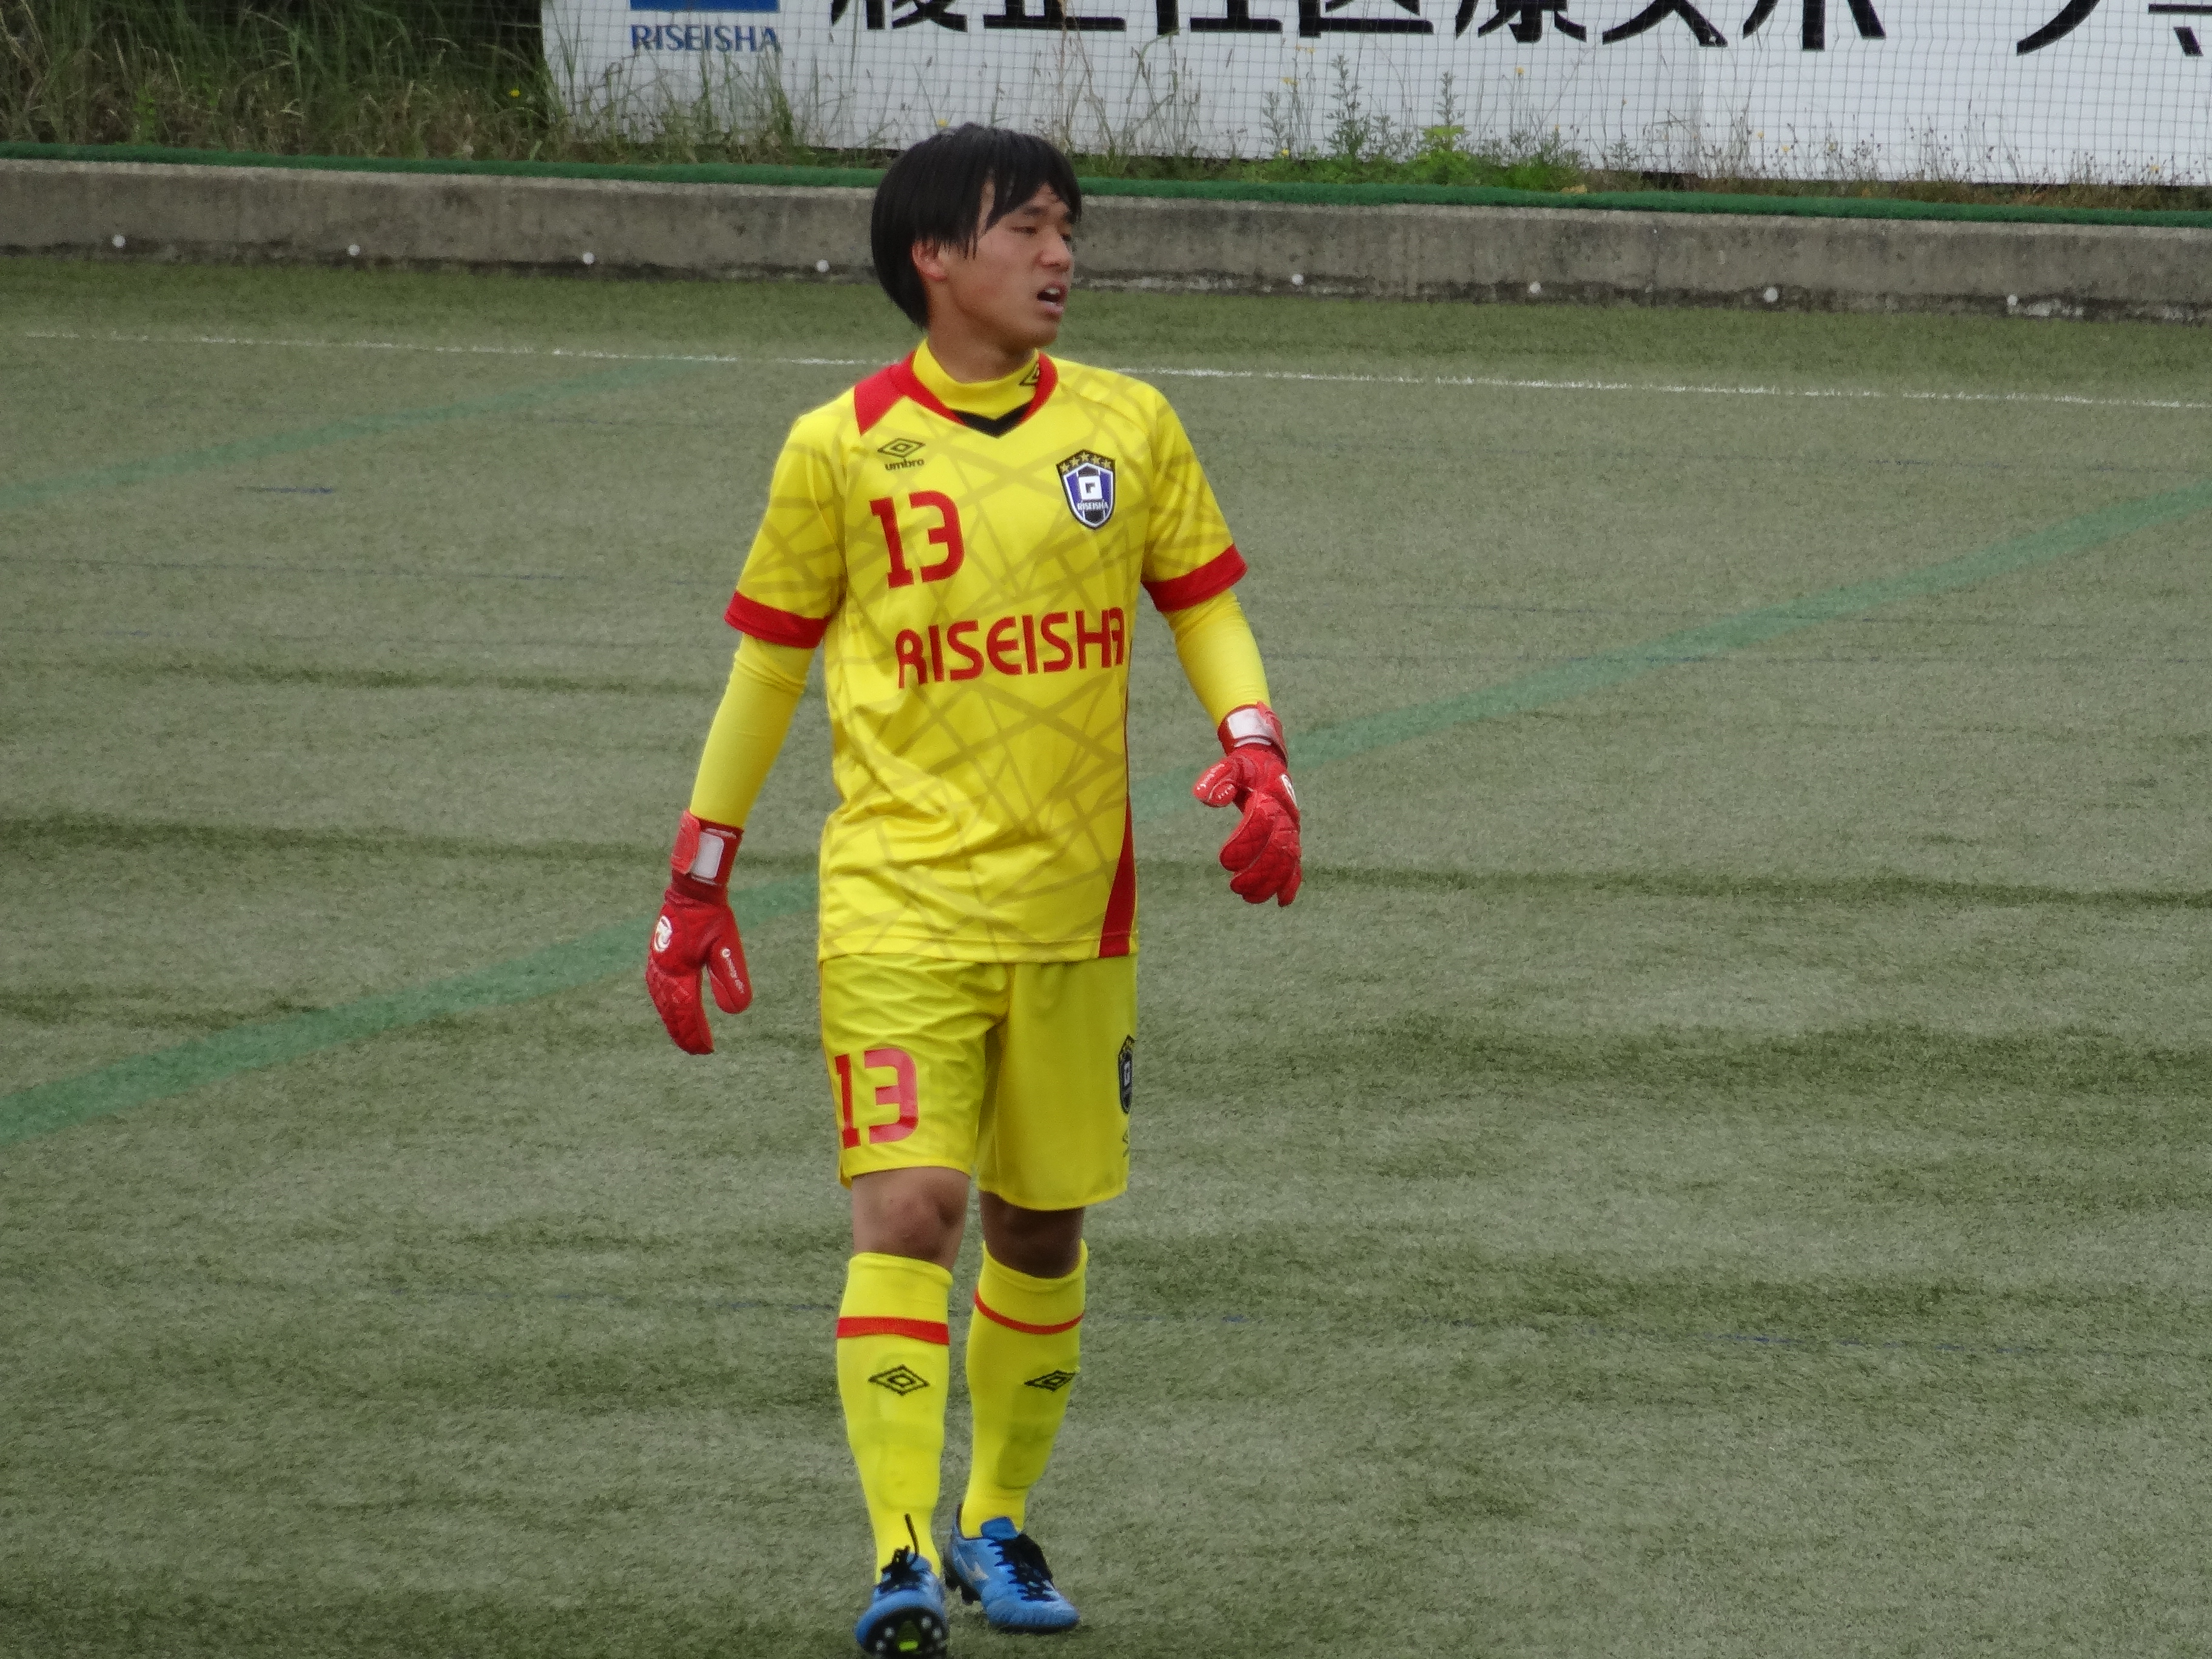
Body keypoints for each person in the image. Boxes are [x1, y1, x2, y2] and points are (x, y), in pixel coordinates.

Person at [644, 122, 1301, 1658]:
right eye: (1027, 229)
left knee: (1039, 1229)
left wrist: (1257, 748)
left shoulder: (1129, 425)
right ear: (933, 257)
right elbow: (768, 670)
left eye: (1070, 229)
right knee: (910, 1209)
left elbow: (1204, 607)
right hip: (898, 900)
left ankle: (993, 1520)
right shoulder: (840, 448)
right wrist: (698, 877)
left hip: (1076, 909)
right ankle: (896, 1550)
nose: (1060, 257)